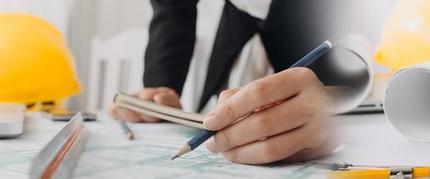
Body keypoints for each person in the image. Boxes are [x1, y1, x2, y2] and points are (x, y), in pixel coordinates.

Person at [109, 0, 360, 164]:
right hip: (238, 12)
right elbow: (173, 9)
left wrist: (338, 101)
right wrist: (160, 88)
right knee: (220, 110)